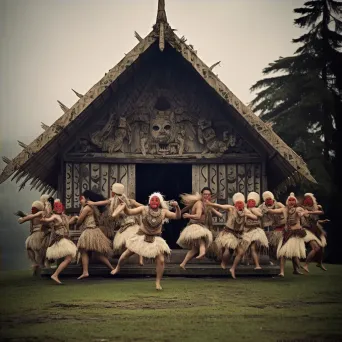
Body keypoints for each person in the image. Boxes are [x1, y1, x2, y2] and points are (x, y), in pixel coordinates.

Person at [111, 192, 181, 290]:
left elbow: (177, 216)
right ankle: (118, 267)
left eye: (156, 200)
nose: (154, 201)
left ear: (160, 202)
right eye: (152, 199)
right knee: (126, 254)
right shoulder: (144, 209)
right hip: (141, 236)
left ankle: (158, 282)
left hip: (155, 239)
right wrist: (124, 207)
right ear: (149, 201)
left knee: (161, 260)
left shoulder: (164, 212)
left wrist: (177, 207)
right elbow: (129, 212)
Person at [87, 183, 144, 265]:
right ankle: (133, 259)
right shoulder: (129, 201)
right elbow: (141, 206)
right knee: (132, 242)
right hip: (130, 224)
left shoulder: (114, 201)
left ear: (113, 193)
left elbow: (103, 202)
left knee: (129, 243)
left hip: (127, 225)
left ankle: (137, 259)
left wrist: (93, 203)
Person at [206, 192, 257, 279]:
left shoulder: (245, 211)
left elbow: (255, 217)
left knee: (240, 253)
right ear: (235, 204)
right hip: (229, 233)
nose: (239, 206)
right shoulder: (231, 208)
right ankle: (223, 263)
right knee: (230, 248)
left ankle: (232, 269)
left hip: (238, 235)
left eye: (241, 203)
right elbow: (220, 206)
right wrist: (210, 203)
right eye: (238, 203)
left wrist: (246, 214)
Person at [177, 187, 223, 270]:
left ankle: (183, 264)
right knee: (202, 240)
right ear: (202, 195)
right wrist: (189, 216)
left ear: (210, 196)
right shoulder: (199, 203)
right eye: (205, 194)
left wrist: (211, 206)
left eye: (208, 194)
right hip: (195, 226)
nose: (206, 196)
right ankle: (202, 252)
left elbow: (220, 215)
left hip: (202, 226)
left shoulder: (208, 205)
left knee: (194, 249)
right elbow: (198, 216)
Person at [73, 190, 114, 279]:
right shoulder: (91, 207)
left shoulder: (87, 208)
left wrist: (76, 219)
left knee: (83, 250)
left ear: (87, 199)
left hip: (89, 231)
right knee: (98, 254)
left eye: (82, 198)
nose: (80, 201)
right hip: (94, 231)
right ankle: (112, 269)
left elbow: (80, 221)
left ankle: (85, 272)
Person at [267, 192, 308, 277]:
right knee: (283, 253)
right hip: (287, 233)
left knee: (293, 253)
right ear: (287, 201)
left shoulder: (298, 208)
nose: (291, 202)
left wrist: (302, 213)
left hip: (295, 234)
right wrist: (267, 206)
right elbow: (273, 211)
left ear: (295, 201)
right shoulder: (284, 209)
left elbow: (300, 213)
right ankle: (282, 272)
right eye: (290, 200)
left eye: (293, 200)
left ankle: (296, 269)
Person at [41, 201, 78, 284]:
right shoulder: (54, 216)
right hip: (60, 240)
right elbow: (47, 220)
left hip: (64, 239)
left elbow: (68, 223)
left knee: (68, 258)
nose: (59, 209)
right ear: (55, 209)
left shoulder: (63, 216)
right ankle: (55, 274)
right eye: (57, 208)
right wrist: (43, 217)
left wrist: (75, 218)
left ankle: (55, 274)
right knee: (68, 258)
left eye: (60, 207)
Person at [18, 200, 46, 275]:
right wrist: (24, 217)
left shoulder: (41, 213)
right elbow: (30, 216)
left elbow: (32, 216)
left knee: (41, 252)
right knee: (29, 247)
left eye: (34, 208)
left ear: (39, 209)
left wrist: (24, 219)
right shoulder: (32, 214)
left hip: (40, 234)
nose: (32, 210)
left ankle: (41, 266)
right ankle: (35, 263)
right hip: (34, 234)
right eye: (32, 208)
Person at [242, 192, 269, 269]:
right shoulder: (245, 210)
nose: (251, 202)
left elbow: (259, 215)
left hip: (255, 231)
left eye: (253, 201)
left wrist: (251, 210)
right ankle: (247, 262)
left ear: (255, 203)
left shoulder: (257, 209)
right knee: (245, 248)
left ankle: (257, 265)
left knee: (253, 248)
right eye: (249, 201)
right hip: (246, 231)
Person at [300, 193, 326, 272]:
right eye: (306, 199)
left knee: (321, 247)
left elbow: (320, 214)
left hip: (315, 230)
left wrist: (321, 221)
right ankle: (306, 265)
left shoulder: (315, 208)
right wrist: (307, 212)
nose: (307, 201)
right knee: (316, 248)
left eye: (309, 199)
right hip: (307, 230)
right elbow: (306, 219)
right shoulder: (302, 208)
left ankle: (319, 263)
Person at [258, 191, 286, 265]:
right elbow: (257, 216)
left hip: (279, 230)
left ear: (273, 199)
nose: (269, 201)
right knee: (269, 248)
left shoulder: (279, 205)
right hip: (267, 231)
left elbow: (286, 211)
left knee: (279, 248)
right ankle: (272, 262)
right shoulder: (261, 207)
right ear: (265, 200)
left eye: (270, 199)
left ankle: (280, 265)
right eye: (267, 199)